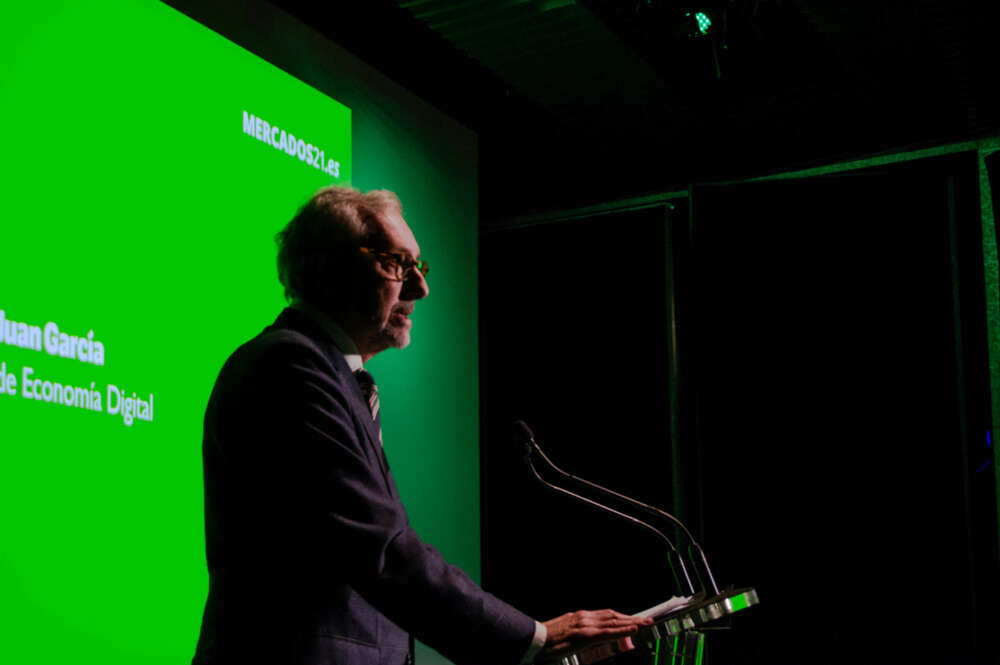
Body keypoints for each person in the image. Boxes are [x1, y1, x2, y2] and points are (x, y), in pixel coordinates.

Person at [192, 186, 650, 665]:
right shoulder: (291, 365)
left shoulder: (333, 374)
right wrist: (534, 638)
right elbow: (381, 551)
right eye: (397, 264)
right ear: (329, 266)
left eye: (419, 267)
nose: (420, 288)